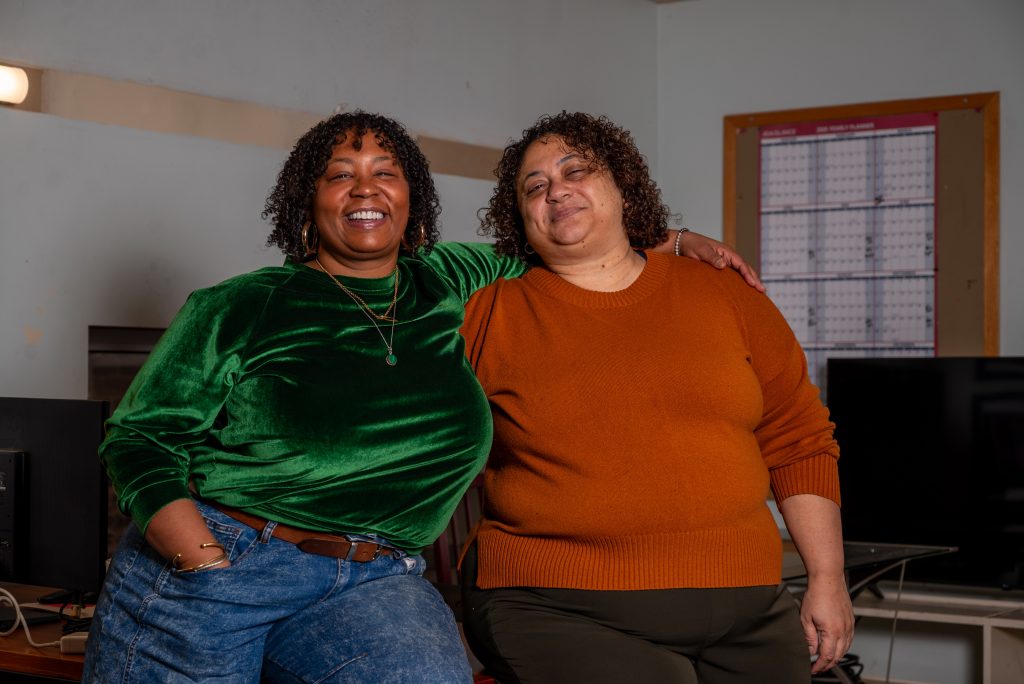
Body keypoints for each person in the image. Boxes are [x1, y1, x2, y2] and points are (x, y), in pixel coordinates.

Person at [83, 110, 757, 683]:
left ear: (413, 198)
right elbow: (140, 436)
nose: (364, 188)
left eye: (385, 171)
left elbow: (560, 239)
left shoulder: (446, 278)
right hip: (224, 556)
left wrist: (669, 239)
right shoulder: (243, 304)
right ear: (307, 203)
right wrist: (201, 560)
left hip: (375, 576)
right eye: (340, 174)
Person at [459, 112, 855, 684]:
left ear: (623, 187)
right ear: (521, 216)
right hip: (553, 604)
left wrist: (827, 577)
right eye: (535, 186)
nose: (557, 190)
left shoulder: (724, 294)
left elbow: (797, 437)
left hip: (749, 609)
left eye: (576, 171)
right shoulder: (490, 311)